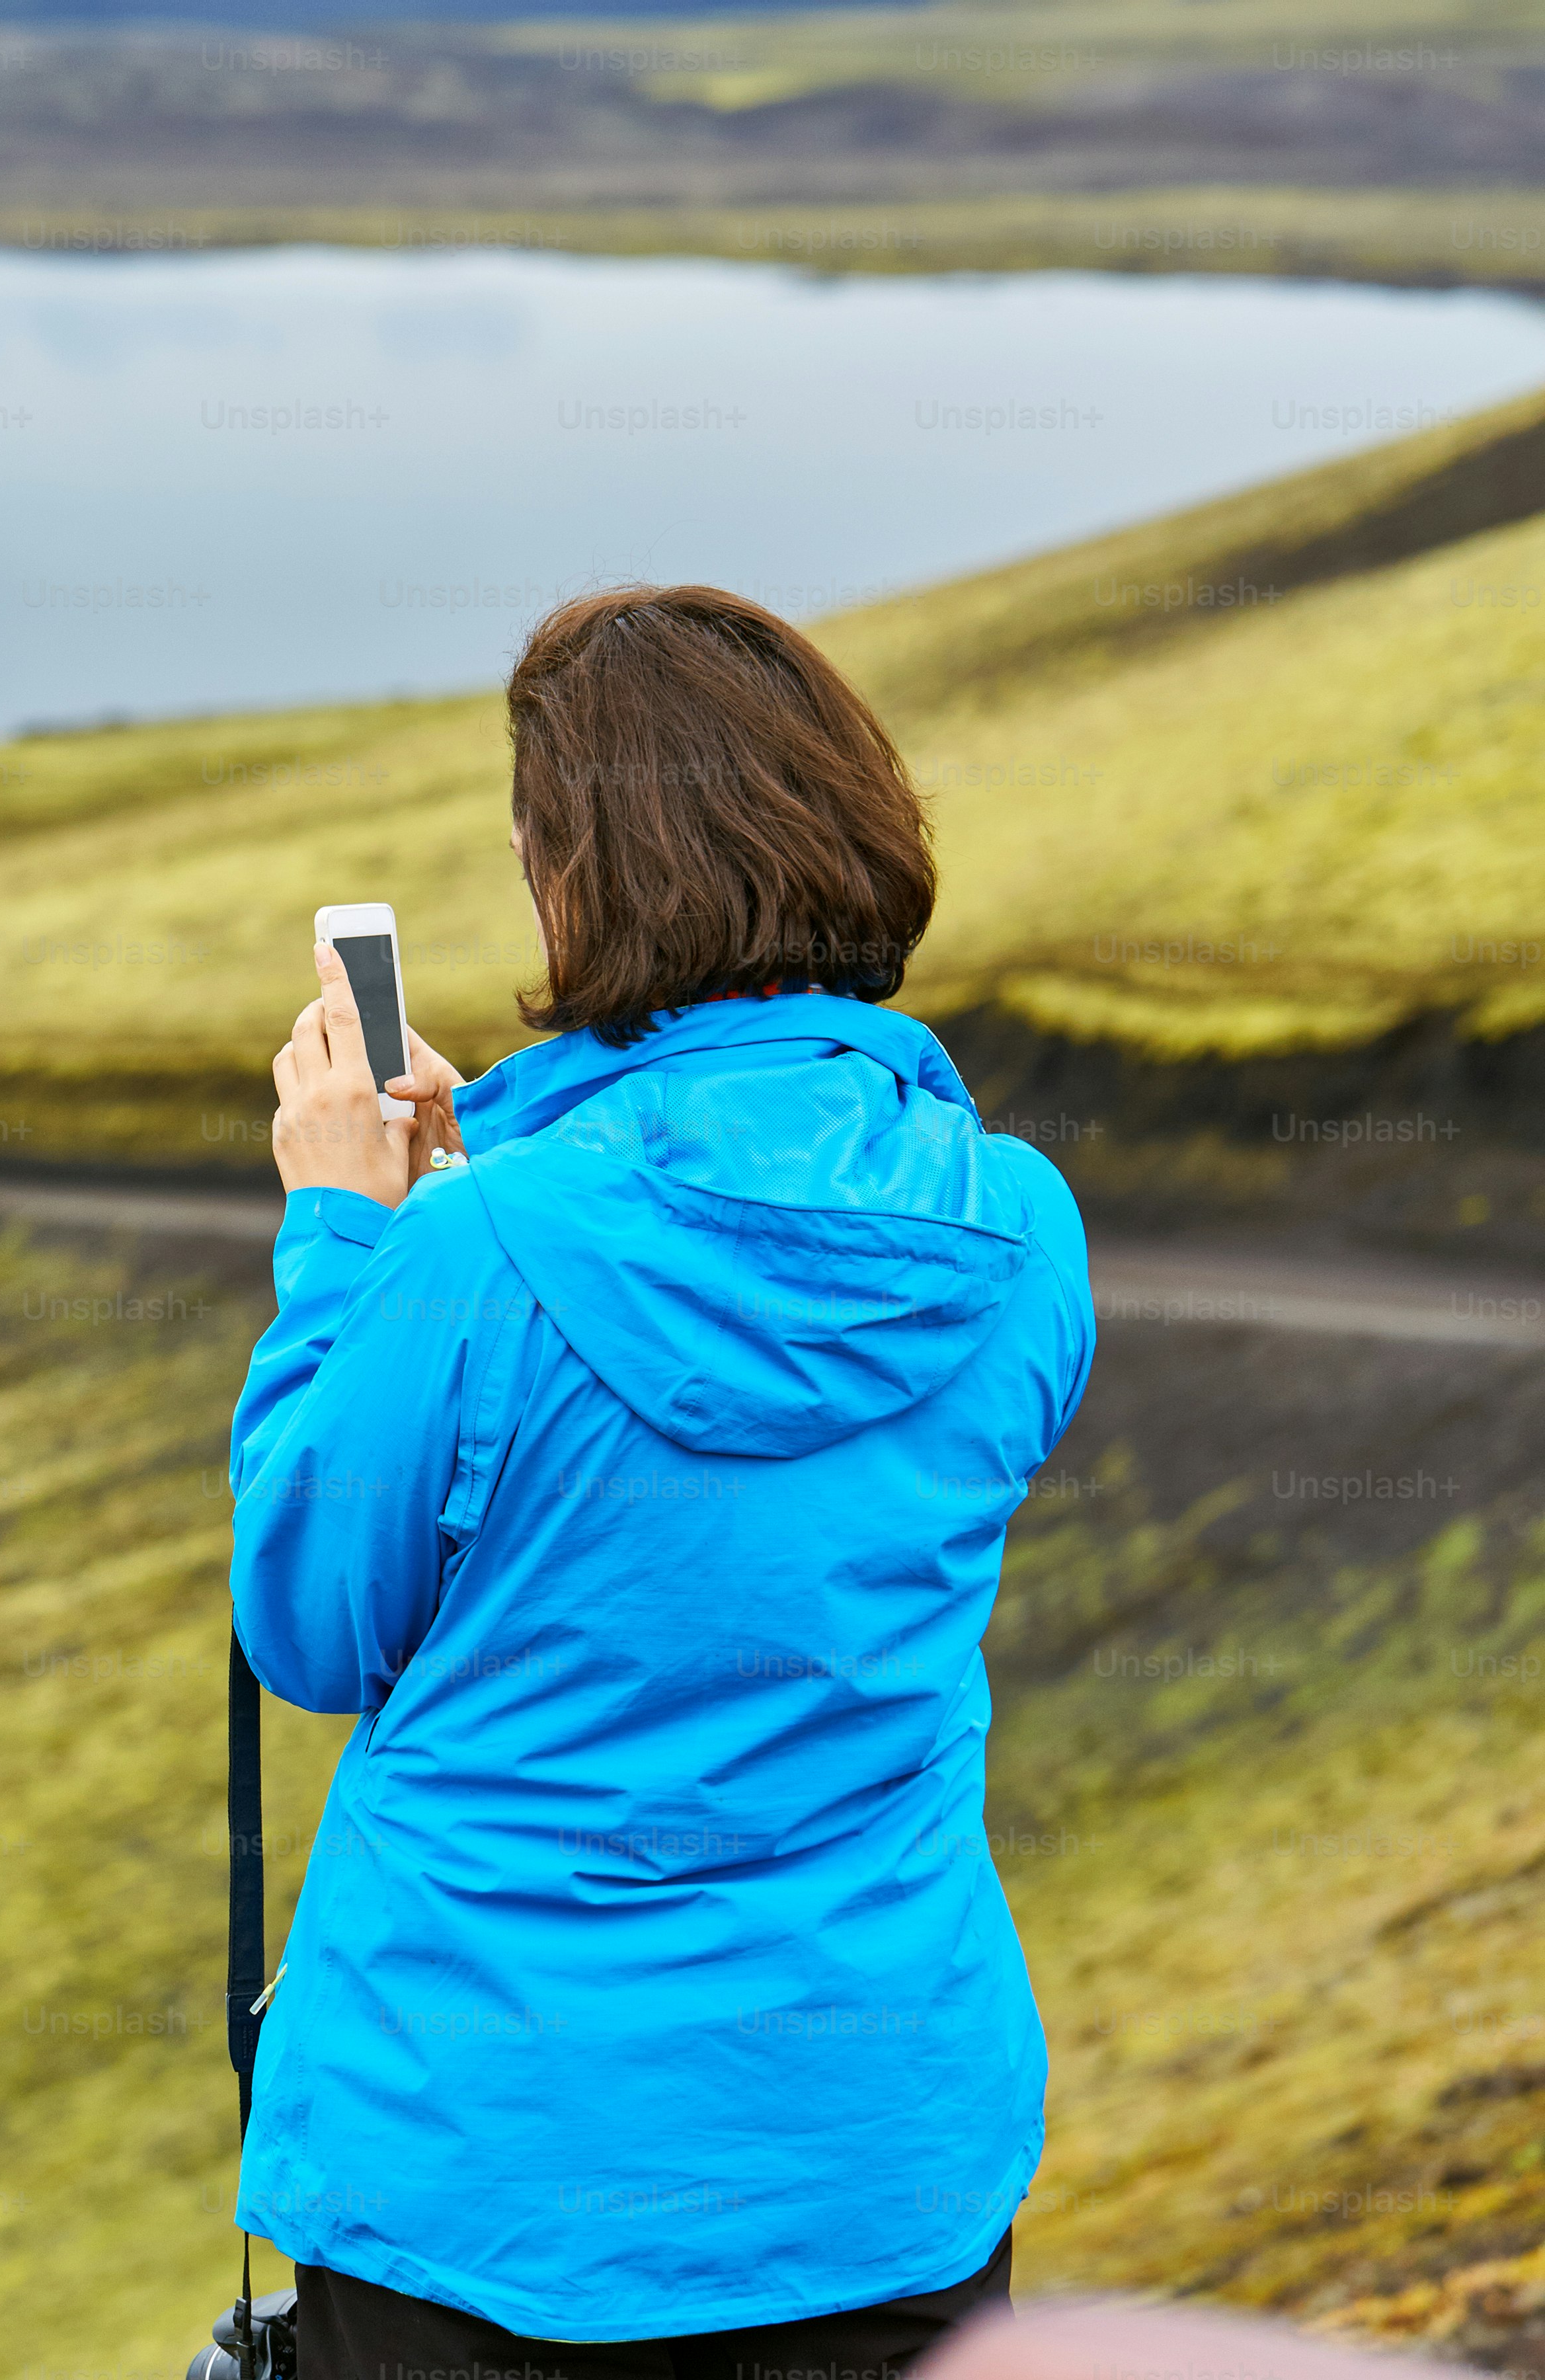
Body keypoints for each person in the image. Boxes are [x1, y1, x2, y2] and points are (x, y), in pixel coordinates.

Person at [231, 584, 1095, 2380]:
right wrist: (483, 1200)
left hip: (490, 2192)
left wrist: (346, 1237)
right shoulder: (1020, 1234)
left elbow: (309, 1618)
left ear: (579, 880)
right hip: (878, 2179)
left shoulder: (474, 1259)